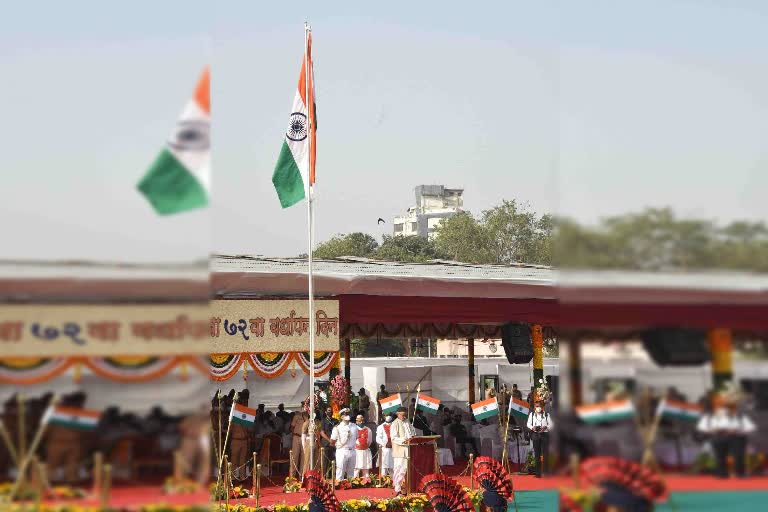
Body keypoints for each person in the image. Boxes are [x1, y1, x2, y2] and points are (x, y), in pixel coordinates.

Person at [697, 396, 756, 478]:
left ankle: (740, 473)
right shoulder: (709, 416)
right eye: (720, 405)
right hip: (718, 437)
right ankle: (722, 474)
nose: (722, 408)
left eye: (725, 406)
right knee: (720, 457)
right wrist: (712, 430)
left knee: (739, 456)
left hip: (736, 437)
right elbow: (702, 428)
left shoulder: (739, 416)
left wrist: (737, 431)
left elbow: (751, 428)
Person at [178, 404, 211, 485]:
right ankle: (182, 480)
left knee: (204, 461)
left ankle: (201, 481)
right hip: (190, 439)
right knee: (186, 461)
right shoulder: (193, 417)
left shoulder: (212, 419)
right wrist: (190, 432)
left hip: (203, 439)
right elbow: (181, 426)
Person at [390, 406, 414, 495]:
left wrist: (413, 437)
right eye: (402, 415)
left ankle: (405, 487)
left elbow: (412, 432)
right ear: (397, 414)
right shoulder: (394, 423)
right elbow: (394, 438)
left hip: (409, 449)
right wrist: (404, 439)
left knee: (405, 469)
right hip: (399, 450)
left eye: (405, 415)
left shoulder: (407, 422)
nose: (404, 417)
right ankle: (397, 487)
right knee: (398, 469)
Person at [229, 389, 252, 481]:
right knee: (234, 460)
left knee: (243, 460)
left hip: (244, 440)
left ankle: (242, 476)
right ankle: (232, 477)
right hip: (236, 439)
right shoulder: (233, 413)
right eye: (243, 401)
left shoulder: (246, 413)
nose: (245, 403)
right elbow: (230, 429)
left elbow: (249, 429)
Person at [527, 399, 553, 478]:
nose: (538, 408)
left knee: (545, 454)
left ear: (542, 407)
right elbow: (528, 424)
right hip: (535, 435)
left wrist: (546, 427)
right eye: (536, 406)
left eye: (539, 406)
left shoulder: (546, 415)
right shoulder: (532, 414)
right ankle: (538, 473)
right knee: (537, 454)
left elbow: (551, 425)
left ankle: (546, 472)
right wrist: (533, 427)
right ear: (534, 407)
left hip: (544, 435)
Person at [331, 408, 357, 480]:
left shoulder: (354, 426)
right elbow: (332, 441)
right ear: (342, 417)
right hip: (342, 450)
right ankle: (339, 486)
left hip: (352, 450)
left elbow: (356, 437)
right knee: (340, 471)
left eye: (348, 414)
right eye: (346, 414)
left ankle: (351, 486)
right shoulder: (337, 428)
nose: (348, 416)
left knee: (351, 472)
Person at [321, 406, 338, 478]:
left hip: (334, 444)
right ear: (325, 412)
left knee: (333, 462)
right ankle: (323, 478)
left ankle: (332, 477)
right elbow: (322, 432)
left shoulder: (336, 421)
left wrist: (334, 442)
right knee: (325, 462)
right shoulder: (323, 421)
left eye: (331, 411)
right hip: (326, 443)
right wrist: (329, 440)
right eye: (328, 410)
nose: (330, 412)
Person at [289, 410, 306, 478]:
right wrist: (294, 435)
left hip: (305, 438)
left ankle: (301, 476)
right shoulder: (296, 416)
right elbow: (292, 427)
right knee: (294, 456)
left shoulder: (309, 416)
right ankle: (292, 476)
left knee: (304, 458)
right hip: (297, 436)